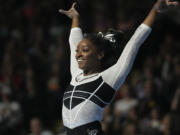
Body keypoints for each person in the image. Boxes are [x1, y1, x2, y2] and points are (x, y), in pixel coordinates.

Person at [59, 0, 178, 135]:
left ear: (99, 54)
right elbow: (73, 41)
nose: (78, 54)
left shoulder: (108, 78)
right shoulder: (76, 74)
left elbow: (134, 42)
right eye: (78, 51)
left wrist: (154, 12)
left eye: (85, 50)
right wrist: (75, 18)